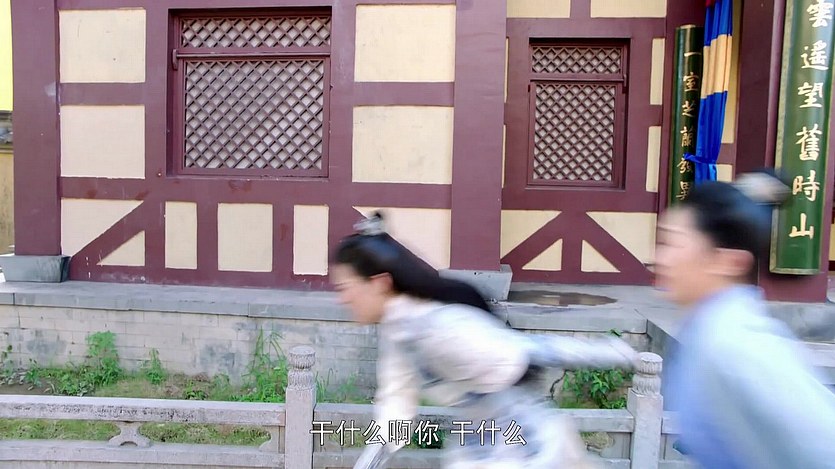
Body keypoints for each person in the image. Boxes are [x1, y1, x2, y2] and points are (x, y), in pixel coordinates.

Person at [331, 212, 639, 469]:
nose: (342, 299)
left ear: (380, 283)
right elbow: (394, 417)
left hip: (526, 447)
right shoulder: (400, 333)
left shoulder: (438, 327)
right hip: (479, 444)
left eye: (345, 287)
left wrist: (616, 353)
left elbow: (525, 351)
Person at [655, 170, 835, 469]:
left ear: (728, 262)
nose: (661, 259)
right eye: (661, 243)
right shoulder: (706, 332)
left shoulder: (737, 347)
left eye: (673, 244)